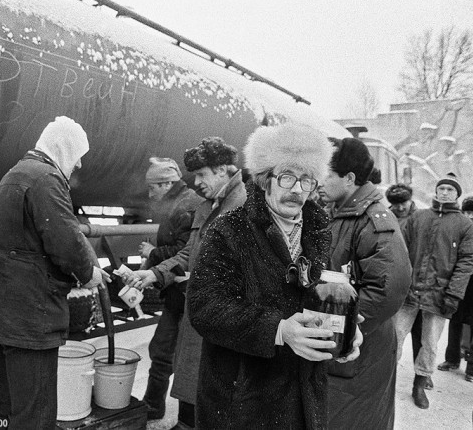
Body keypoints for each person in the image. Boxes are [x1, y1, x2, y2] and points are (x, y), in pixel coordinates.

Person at [186, 123, 363, 429]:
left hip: (301, 394)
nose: (297, 189)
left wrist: (343, 329)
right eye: (287, 177)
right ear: (265, 180)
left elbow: (320, 296)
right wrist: (278, 329)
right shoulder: (229, 231)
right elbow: (204, 307)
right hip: (243, 399)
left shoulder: (318, 233)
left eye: (306, 180)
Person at [0, 117, 110, 429]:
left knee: (9, 403)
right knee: (35, 414)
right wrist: (89, 272)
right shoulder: (46, 179)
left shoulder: (16, 173)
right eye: (77, 154)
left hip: (9, 312)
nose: (79, 164)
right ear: (63, 148)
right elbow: (65, 240)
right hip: (32, 318)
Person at [124, 136, 246, 429]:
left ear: (223, 170)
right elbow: (190, 250)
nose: (197, 182)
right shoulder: (208, 205)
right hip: (198, 305)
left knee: (214, 381)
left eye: (202, 174)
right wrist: (153, 274)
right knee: (190, 370)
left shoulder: (242, 206)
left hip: (221, 312)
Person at [317, 137, 411, 429]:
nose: (318, 181)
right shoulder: (341, 214)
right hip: (341, 339)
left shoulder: (372, 220)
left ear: (349, 178)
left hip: (359, 343)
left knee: (350, 417)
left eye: (325, 173)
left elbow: (389, 287)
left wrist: (345, 329)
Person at [395, 172, 473, 409]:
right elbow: (401, 250)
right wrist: (400, 283)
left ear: (457, 195)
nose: (444, 193)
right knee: (395, 336)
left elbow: (466, 262)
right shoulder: (418, 217)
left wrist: (454, 293)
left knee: (430, 343)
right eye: (441, 188)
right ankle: (386, 379)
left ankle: (419, 384)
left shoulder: (463, 225)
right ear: (435, 191)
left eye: (450, 190)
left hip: (440, 295)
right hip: (409, 292)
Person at [137, 157, 203, 420]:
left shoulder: (185, 207)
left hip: (185, 292)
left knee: (174, 354)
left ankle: (165, 410)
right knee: (162, 350)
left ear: (166, 184)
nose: (150, 193)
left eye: (153, 187)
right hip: (176, 292)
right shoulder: (180, 204)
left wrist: (154, 253)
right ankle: (153, 405)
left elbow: (186, 251)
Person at [437, 194, 473, 382]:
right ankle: (452, 359)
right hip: (461, 284)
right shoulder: (462, 232)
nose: (472, 216)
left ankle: (471, 368)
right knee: (454, 320)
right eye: (468, 212)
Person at [386, 183, 428, 382]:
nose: (400, 207)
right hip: (397, 280)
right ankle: (390, 371)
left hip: (421, 281)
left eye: (403, 203)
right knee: (397, 331)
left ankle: (421, 375)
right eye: (395, 204)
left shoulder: (421, 218)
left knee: (422, 333)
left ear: (410, 200)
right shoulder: (388, 216)